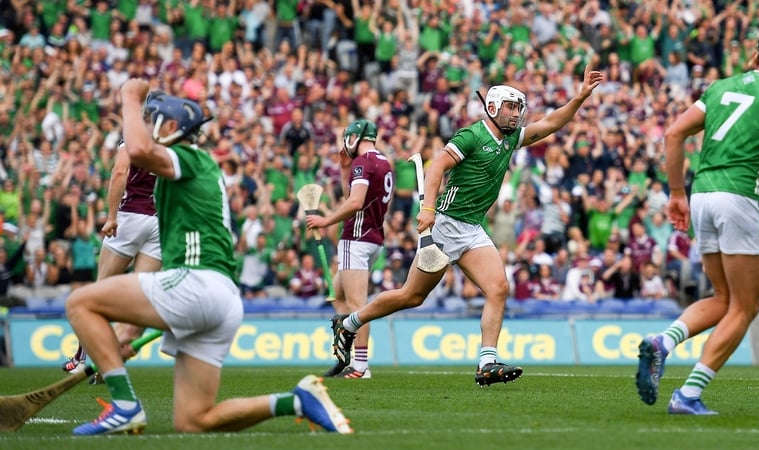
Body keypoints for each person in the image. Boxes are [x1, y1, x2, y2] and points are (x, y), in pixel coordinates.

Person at [64, 80, 351, 435]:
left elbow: (135, 150)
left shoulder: (186, 157)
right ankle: (295, 401)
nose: (147, 125)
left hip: (196, 284)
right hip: (220, 298)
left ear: (170, 129)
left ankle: (124, 405)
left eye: (152, 119)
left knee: (81, 303)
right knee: (194, 420)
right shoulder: (192, 166)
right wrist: (129, 331)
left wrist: (128, 96)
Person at [329, 65, 603, 386]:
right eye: (510, 108)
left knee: (499, 288)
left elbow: (552, 123)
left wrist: (580, 97)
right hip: (446, 225)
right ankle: (348, 324)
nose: (516, 114)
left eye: (518, 108)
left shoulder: (511, 138)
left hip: (473, 228)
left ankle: (487, 362)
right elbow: (437, 168)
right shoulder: (471, 135)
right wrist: (428, 209)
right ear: (492, 107)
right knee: (410, 297)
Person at [635, 27, 759, 415]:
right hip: (742, 197)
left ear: (757, 53)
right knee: (746, 306)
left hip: (702, 196)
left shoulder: (721, 86)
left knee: (723, 298)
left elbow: (674, 133)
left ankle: (663, 342)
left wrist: (677, 194)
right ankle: (688, 395)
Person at [61, 140, 162, 377]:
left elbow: (119, 172)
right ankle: (108, 365)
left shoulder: (131, 140)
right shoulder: (166, 145)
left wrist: (111, 216)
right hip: (159, 223)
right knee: (139, 297)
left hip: (129, 218)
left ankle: (82, 358)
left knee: (98, 295)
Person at [306, 118, 394, 379]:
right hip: (374, 238)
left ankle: (360, 365)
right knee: (338, 296)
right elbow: (359, 197)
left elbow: (354, 202)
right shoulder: (383, 162)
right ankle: (348, 356)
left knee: (357, 305)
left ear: (354, 138)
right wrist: (346, 170)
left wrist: (326, 219)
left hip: (355, 239)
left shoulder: (363, 162)